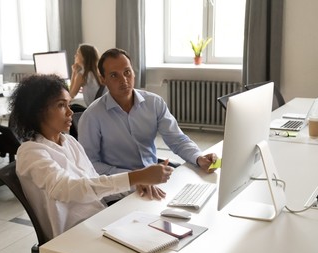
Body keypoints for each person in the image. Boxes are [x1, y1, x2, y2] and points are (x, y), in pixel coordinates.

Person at [8, 74, 173, 239]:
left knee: (163, 229)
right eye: (61, 105)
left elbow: (94, 183)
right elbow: (68, 189)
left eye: (69, 104)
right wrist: (135, 176)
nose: (70, 112)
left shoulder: (69, 142)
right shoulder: (31, 152)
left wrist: (135, 183)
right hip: (73, 236)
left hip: (99, 221)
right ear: (37, 111)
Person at [78, 48, 218, 182]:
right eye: (114, 75)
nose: (124, 80)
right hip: (120, 186)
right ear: (103, 79)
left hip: (155, 177)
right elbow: (90, 164)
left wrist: (198, 157)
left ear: (133, 72)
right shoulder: (92, 116)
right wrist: (135, 177)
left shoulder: (154, 103)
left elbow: (177, 140)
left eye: (127, 72)